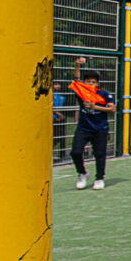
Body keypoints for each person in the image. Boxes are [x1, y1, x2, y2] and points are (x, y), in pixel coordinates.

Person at [68, 57, 115, 190]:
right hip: (84, 128)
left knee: (99, 154)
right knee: (76, 152)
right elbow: (75, 80)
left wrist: (95, 107)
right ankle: (82, 173)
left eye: (93, 82)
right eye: (88, 82)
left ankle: (99, 178)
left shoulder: (104, 94)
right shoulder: (81, 93)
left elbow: (112, 109)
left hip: (100, 129)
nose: (90, 84)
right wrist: (77, 65)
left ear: (97, 84)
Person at [52, 81, 69, 159]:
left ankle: (62, 154)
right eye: (55, 84)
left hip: (61, 118)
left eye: (58, 84)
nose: (57, 86)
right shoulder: (51, 95)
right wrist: (58, 114)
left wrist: (62, 116)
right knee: (56, 136)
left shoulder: (61, 96)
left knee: (62, 136)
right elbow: (51, 106)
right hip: (54, 118)